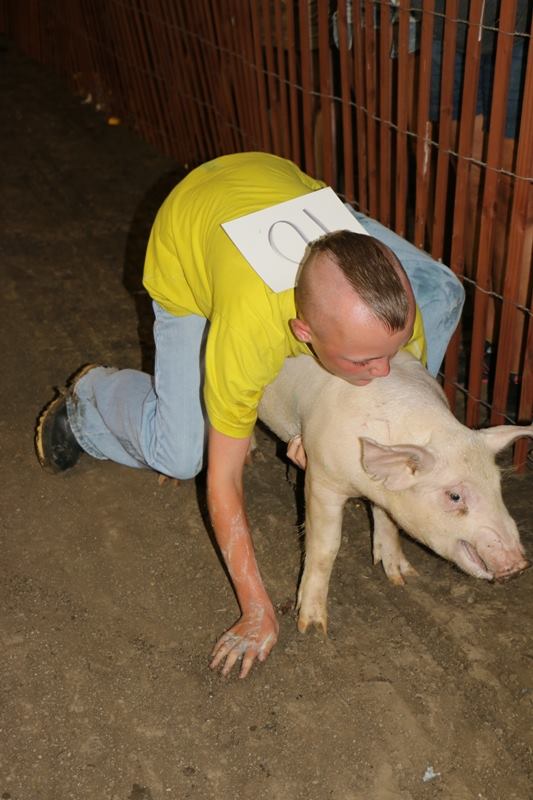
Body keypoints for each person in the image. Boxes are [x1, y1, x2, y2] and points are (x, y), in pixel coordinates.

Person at [35, 151, 456, 679]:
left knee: (445, 292)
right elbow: (223, 481)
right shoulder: (248, 332)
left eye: (389, 351)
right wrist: (256, 607)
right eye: (365, 361)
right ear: (302, 332)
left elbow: (388, 364)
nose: (384, 369)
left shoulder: (395, 316)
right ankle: (93, 396)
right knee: (181, 454)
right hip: (189, 227)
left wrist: (332, 425)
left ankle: (331, 359)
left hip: (271, 185)